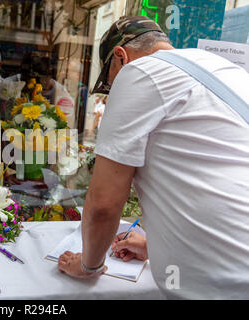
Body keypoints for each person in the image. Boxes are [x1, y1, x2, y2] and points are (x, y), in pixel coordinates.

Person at [57, 16, 249, 299]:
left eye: (109, 86)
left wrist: (88, 266)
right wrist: (155, 247)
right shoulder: (229, 71)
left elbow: (103, 206)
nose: (110, 95)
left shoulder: (138, 72)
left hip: (222, 285)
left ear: (120, 57)